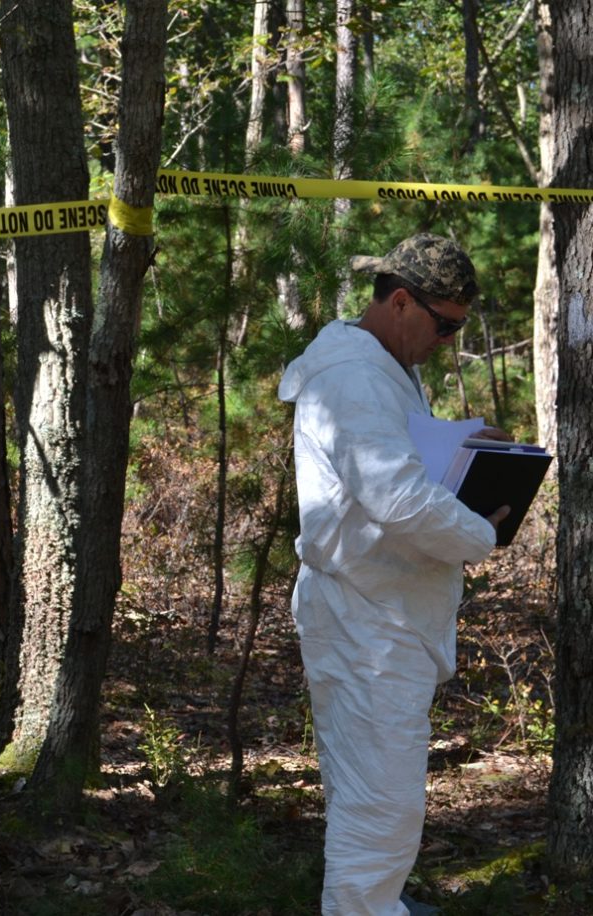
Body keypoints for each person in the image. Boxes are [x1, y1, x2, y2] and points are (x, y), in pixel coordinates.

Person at [277, 233, 510, 916]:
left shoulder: (381, 364)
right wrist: (482, 533)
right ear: (400, 301)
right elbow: (397, 496)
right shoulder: (351, 376)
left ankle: (378, 906)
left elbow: (392, 460)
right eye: (444, 325)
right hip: (364, 620)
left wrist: (461, 446)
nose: (448, 341)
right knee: (380, 811)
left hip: (381, 614)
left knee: (378, 797)